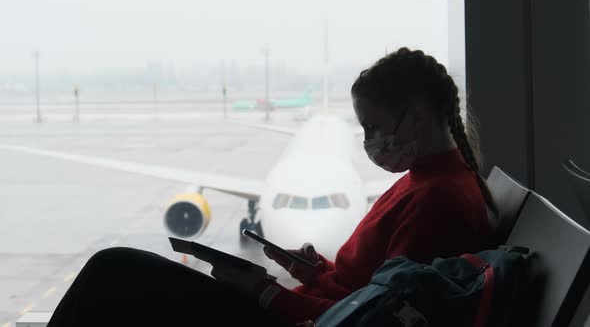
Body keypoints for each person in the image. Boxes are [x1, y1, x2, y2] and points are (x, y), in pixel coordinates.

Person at [47, 47, 498, 327]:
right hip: (294, 307)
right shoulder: (429, 182)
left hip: (291, 318)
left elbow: (371, 319)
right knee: (122, 278)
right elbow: (369, 290)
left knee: (116, 270)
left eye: (374, 126)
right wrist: (313, 270)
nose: (370, 142)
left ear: (416, 115)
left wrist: (264, 293)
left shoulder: (439, 201)